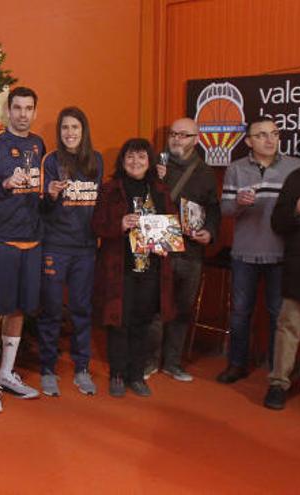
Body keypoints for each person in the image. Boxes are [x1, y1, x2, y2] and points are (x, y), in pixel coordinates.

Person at [0, 86, 44, 413]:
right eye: (17, 107)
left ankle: (6, 372)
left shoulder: (39, 144)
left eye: (28, 108)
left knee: (19, 308)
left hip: (30, 239)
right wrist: (4, 184)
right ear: (8, 110)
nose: (23, 114)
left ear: (34, 111)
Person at [218, 116, 300, 384]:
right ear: (249, 141)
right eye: (262, 135)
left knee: (280, 315)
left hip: (282, 255)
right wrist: (240, 204)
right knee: (240, 312)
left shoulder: (296, 167)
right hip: (244, 253)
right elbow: (225, 209)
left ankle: (277, 369)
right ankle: (237, 364)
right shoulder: (236, 168)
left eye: (274, 133)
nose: (269, 139)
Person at [92, 138, 176, 398]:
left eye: (141, 157)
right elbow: (96, 225)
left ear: (149, 162)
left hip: (151, 269)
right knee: (119, 322)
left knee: (143, 323)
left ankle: (136, 375)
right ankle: (117, 374)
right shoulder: (110, 189)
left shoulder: (160, 191)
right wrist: (119, 224)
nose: (135, 162)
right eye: (130, 156)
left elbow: (172, 231)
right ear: (122, 160)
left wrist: (166, 238)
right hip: (120, 268)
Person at [144, 118, 220, 382]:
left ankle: (173, 362)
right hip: (160, 245)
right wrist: (154, 180)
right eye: (173, 134)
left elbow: (213, 209)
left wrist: (209, 232)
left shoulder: (205, 172)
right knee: (154, 307)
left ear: (196, 139)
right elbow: (140, 200)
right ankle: (149, 361)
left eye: (184, 135)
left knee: (182, 308)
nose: (176, 139)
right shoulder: (154, 166)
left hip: (190, 251)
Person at [37, 107, 103, 397]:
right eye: (65, 128)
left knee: (81, 310)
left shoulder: (96, 160)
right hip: (55, 245)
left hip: (86, 248)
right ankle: (48, 368)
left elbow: (102, 203)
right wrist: (50, 195)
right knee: (51, 310)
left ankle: (82, 368)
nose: (70, 133)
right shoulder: (50, 161)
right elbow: (40, 208)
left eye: (75, 127)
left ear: (83, 130)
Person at [264, 164, 300, 409]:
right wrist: (297, 211)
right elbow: (277, 222)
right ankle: (278, 383)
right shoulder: (297, 178)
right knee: (289, 327)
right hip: (299, 267)